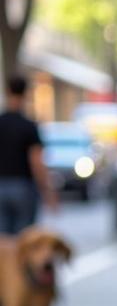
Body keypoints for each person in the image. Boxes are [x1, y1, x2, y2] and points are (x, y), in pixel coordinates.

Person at [0, 75, 57, 234]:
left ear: (7, 92)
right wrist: (48, 191)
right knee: (24, 241)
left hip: (1, 186)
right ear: (25, 94)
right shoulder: (29, 126)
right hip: (23, 186)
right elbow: (36, 161)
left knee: (3, 241)